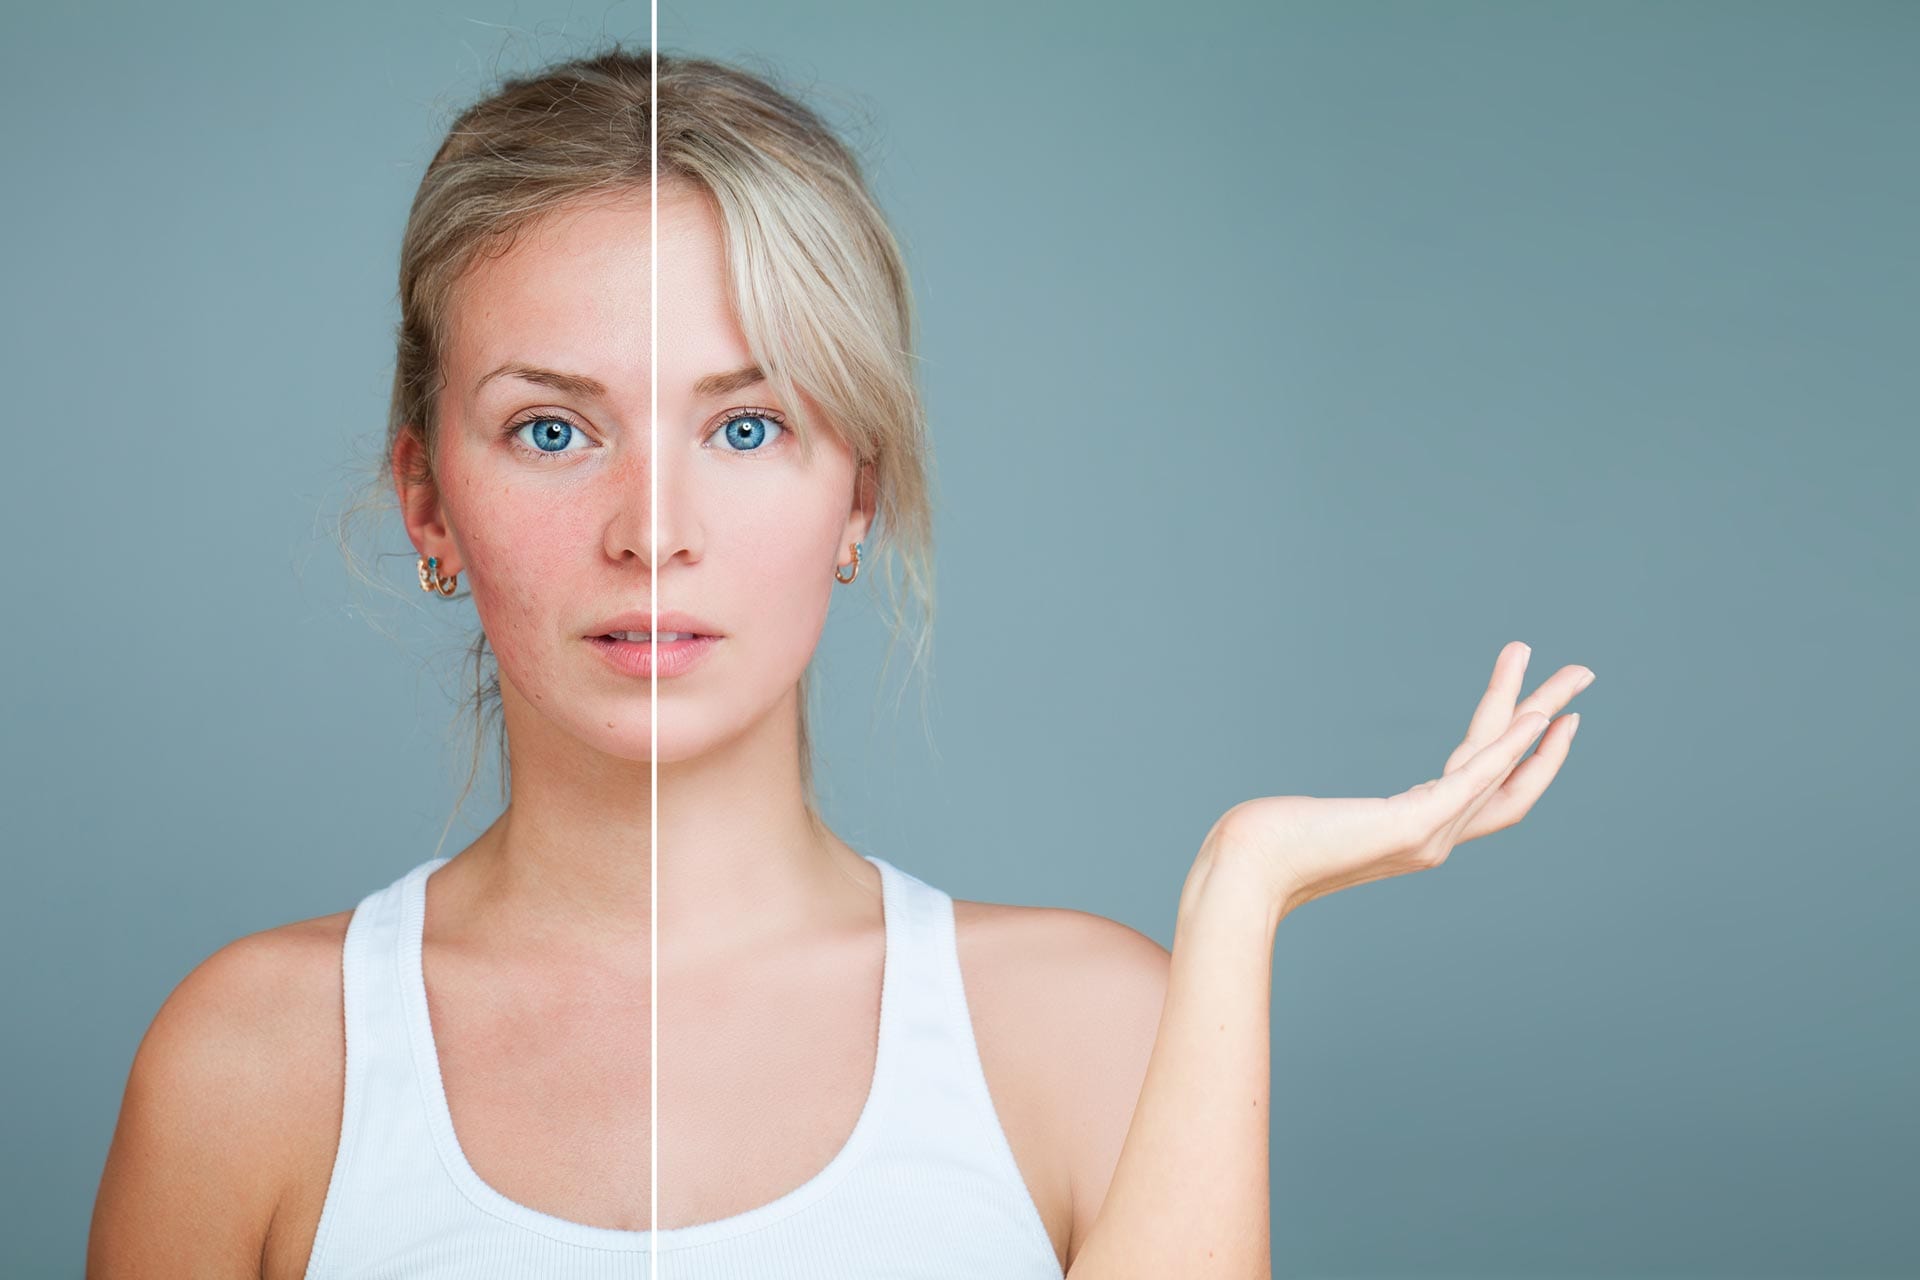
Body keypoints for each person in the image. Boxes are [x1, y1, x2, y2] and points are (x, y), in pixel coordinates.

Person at [88, 46, 1593, 1279]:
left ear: (857, 491)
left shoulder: (1086, 1032)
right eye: (553, 429)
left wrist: (1243, 891)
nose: (653, 530)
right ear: (429, 497)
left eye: (748, 427)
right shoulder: (249, 1064)